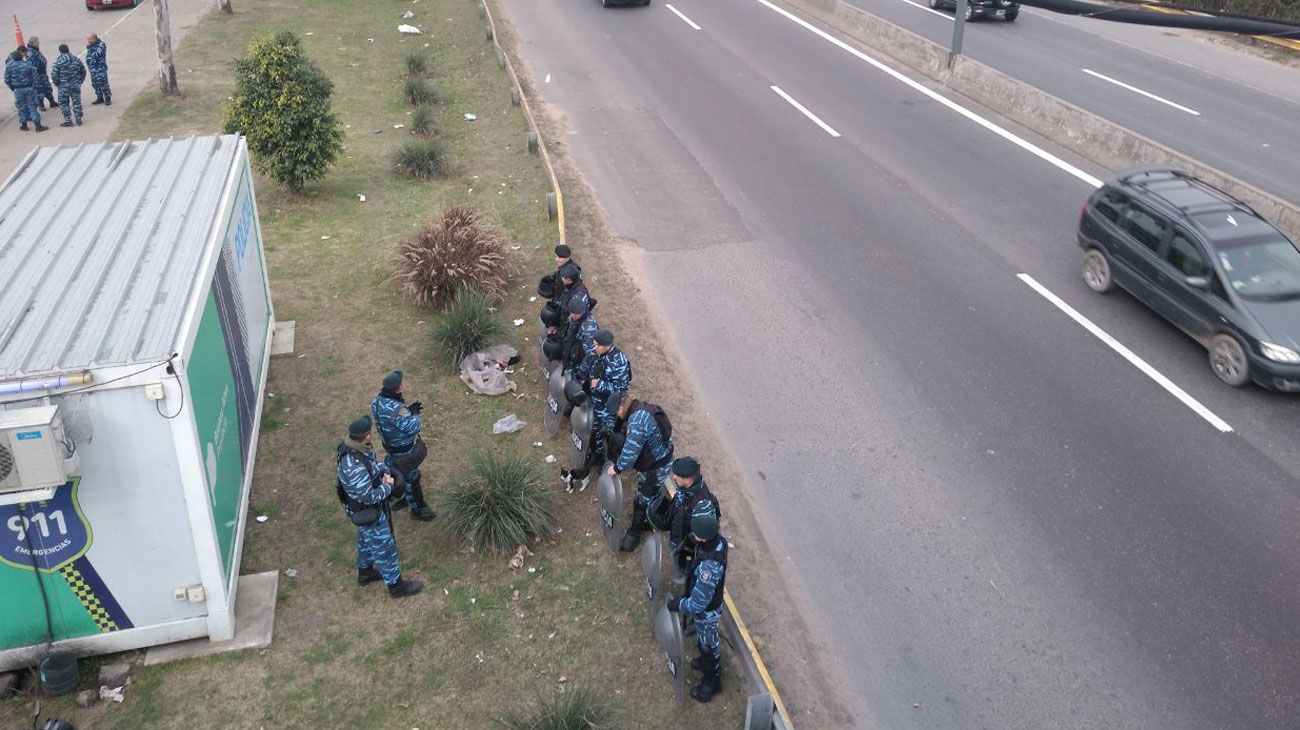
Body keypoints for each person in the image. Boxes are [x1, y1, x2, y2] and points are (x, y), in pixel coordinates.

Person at [336, 416, 423, 598]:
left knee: (366, 540)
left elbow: (373, 465)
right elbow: (369, 497)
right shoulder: (354, 466)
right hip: (368, 510)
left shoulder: (356, 449)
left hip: (364, 511)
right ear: (365, 436)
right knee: (384, 547)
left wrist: (384, 471)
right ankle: (396, 586)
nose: (371, 436)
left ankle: (365, 571)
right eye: (369, 434)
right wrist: (388, 485)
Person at [667, 513, 728, 703]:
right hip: (710, 604)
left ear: (703, 537)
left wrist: (677, 604)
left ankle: (712, 682)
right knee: (704, 642)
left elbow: (697, 604)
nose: (694, 535)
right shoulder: (719, 542)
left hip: (707, 611)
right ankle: (706, 662)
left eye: (696, 533)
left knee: (708, 646)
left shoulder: (708, 569)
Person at [608, 396, 674, 552]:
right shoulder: (640, 408)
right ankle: (651, 514)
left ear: (621, 408)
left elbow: (630, 454)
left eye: (616, 412)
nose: (617, 416)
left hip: (656, 467)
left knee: (643, 498)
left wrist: (617, 468)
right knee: (651, 493)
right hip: (661, 457)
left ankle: (635, 533)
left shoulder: (637, 422)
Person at [371, 371, 436, 521]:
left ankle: (395, 494)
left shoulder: (377, 401)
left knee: (393, 470)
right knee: (412, 478)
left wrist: (407, 411)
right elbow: (415, 427)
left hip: (390, 447)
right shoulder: (396, 409)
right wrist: (413, 415)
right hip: (404, 450)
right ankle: (418, 509)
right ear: (398, 388)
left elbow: (393, 417)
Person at [666, 457, 721, 578]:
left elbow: (703, 540)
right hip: (678, 536)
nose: (674, 477)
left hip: (686, 548)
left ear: (688, 480)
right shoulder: (687, 488)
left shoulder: (703, 506)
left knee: (683, 568)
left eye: (677, 475)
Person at [5, 48, 47, 132]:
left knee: (21, 107)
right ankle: (38, 126)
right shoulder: (28, 65)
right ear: (21, 57)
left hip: (17, 89)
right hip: (29, 88)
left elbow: (7, 80)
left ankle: (24, 125)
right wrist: (36, 87)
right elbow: (36, 77)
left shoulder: (9, 67)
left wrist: (13, 88)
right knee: (32, 106)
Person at [559, 297, 599, 376]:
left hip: (578, 363)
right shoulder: (575, 317)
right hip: (571, 352)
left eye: (575, 314)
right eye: (571, 312)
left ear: (583, 311)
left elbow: (591, 355)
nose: (571, 316)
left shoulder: (589, 330)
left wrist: (580, 371)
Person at [50, 44, 85, 128]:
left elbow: (54, 75)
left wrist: (57, 84)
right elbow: (83, 70)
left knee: (64, 104)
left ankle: (68, 121)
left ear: (60, 51)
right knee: (77, 102)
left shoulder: (58, 62)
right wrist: (79, 81)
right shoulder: (76, 59)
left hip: (63, 86)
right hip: (75, 85)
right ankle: (79, 119)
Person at [25, 38, 55, 111]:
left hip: (42, 73)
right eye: (37, 42)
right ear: (32, 43)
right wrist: (38, 69)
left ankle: (52, 101)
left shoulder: (35, 50)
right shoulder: (30, 51)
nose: (38, 44)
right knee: (39, 89)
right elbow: (32, 62)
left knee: (47, 87)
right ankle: (41, 104)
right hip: (37, 74)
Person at [84, 34, 110, 106]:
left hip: (100, 68)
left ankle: (107, 98)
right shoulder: (91, 46)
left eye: (90, 39)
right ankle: (100, 97)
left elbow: (96, 55)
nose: (88, 41)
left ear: (94, 39)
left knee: (103, 83)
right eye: (88, 39)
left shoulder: (101, 45)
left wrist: (90, 47)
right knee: (95, 83)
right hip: (93, 69)